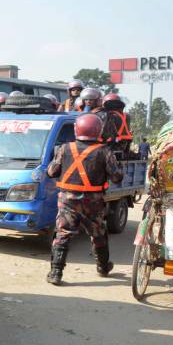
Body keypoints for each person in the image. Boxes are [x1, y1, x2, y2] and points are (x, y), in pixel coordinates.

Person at [46, 114, 123, 285]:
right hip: (93, 202)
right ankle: (103, 267)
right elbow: (117, 177)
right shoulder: (105, 151)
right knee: (98, 234)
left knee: (63, 234)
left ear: (77, 129)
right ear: (98, 130)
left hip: (67, 200)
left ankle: (55, 273)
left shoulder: (65, 148)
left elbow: (51, 172)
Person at [101, 93, 134, 158]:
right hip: (126, 144)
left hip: (114, 144)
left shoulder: (110, 116)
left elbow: (107, 132)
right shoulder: (127, 116)